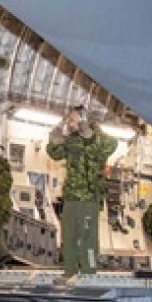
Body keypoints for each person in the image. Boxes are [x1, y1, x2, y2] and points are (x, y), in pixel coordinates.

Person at [46, 106, 117, 276]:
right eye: (69, 120)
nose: (70, 123)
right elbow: (55, 154)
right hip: (71, 196)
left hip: (89, 197)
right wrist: (53, 139)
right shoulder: (72, 140)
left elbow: (110, 146)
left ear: (84, 119)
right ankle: (70, 271)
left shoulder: (101, 137)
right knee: (68, 236)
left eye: (73, 120)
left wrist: (90, 136)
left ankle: (89, 271)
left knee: (88, 237)